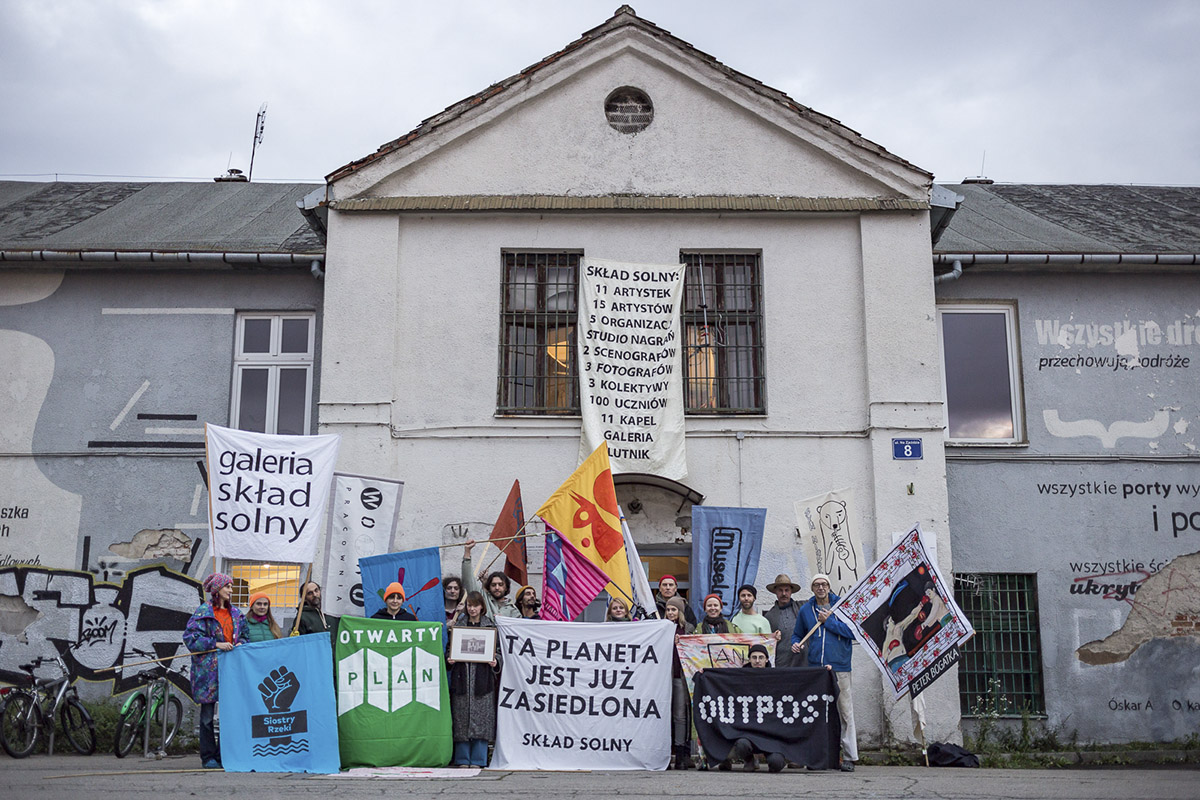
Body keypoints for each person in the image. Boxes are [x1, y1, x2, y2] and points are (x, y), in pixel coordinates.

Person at [792, 573, 857, 771]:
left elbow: (853, 632)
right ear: (812, 588)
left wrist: (829, 622)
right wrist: (796, 643)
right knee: (816, 712)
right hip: (816, 668)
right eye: (817, 585)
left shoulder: (842, 606)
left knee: (844, 711)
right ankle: (815, 754)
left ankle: (849, 756)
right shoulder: (806, 610)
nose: (821, 588)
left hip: (839, 666)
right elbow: (797, 633)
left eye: (824, 584)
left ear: (829, 587)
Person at [183, 573, 248, 769]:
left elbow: (245, 636)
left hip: (231, 671)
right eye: (227, 586)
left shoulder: (236, 614)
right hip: (207, 673)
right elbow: (190, 639)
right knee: (206, 717)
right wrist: (216, 644)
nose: (230, 590)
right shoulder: (203, 613)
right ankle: (208, 757)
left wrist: (239, 644)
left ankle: (224, 755)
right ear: (217, 589)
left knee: (229, 716)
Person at [447, 591, 500, 767]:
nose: (472, 609)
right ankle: (462, 759)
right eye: (469, 605)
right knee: (461, 718)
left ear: (481, 607)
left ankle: (478, 759)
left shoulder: (490, 627)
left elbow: (499, 652)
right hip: (461, 678)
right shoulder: (458, 625)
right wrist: (450, 658)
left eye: (475, 605)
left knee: (482, 719)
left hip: (482, 681)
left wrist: (495, 661)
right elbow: (449, 649)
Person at [722, 644, 786, 773]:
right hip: (748, 733)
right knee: (741, 745)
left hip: (771, 735)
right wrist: (704, 674)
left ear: (767, 660)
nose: (757, 661)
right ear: (749, 659)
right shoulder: (739, 678)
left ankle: (772, 758)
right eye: (754, 657)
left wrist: (824, 671)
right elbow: (721, 680)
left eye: (761, 657)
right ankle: (748, 760)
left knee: (777, 764)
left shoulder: (777, 677)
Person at [664, 596, 693, 770]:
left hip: (680, 678)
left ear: (680, 611)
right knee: (664, 717)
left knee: (680, 717)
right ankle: (665, 753)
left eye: (673, 609)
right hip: (663, 679)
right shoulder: (660, 628)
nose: (670, 613)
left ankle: (681, 754)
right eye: (668, 610)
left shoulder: (688, 629)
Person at [461, 539, 520, 618]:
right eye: (493, 585)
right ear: (489, 586)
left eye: (500, 584)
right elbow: (468, 581)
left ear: (506, 587)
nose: (497, 588)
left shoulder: (513, 610)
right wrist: (467, 552)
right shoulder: (483, 599)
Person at [763, 574, 807, 668]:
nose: (784, 593)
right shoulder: (769, 616)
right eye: (780, 590)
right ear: (775, 592)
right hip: (781, 664)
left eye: (787, 590)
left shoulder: (802, 608)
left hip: (803, 662)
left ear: (791, 592)